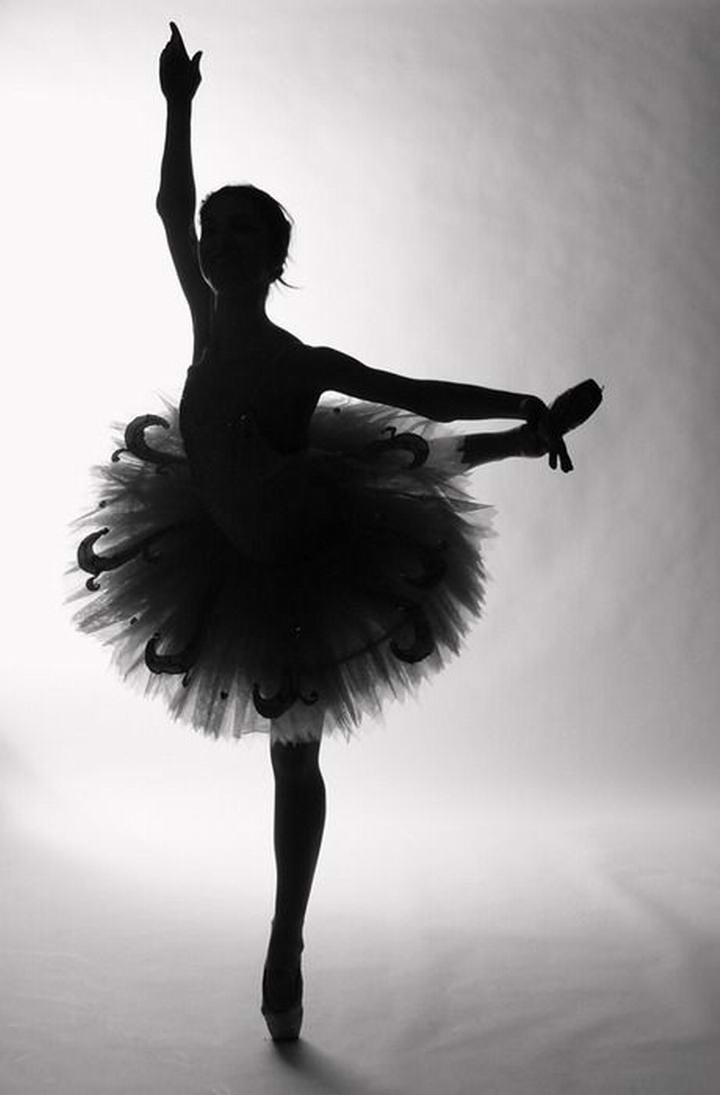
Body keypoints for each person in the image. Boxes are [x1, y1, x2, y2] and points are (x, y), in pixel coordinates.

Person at [68, 22, 602, 1042]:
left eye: (243, 234)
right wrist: (178, 106)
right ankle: (524, 440)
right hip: (216, 538)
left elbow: (414, 394)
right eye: (216, 230)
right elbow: (169, 206)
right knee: (386, 467)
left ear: (276, 261)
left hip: (298, 556)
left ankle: (287, 935)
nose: (219, 241)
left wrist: (518, 395)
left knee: (299, 749)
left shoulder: (300, 361)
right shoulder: (205, 319)